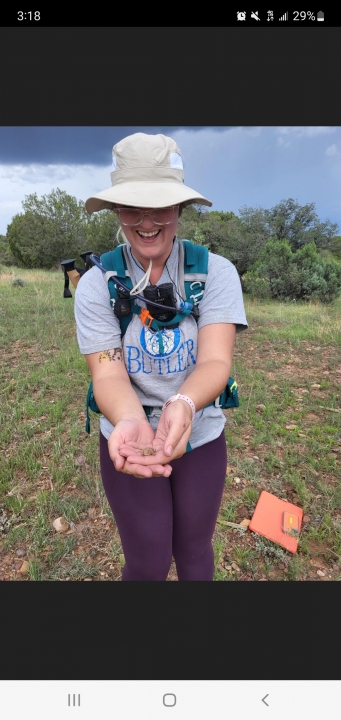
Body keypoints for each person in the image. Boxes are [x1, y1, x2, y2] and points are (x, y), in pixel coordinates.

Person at [74, 132, 248, 580]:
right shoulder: (97, 284)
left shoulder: (215, 274)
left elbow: (214, 362)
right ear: (115, 210)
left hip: (201, 434)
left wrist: (183, 403)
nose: (147, 221)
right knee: (148, 560)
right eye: (133, 206)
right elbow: (108, 375)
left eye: (162, 205)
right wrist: (133, 423)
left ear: (180, 209)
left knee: (194, 552)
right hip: (129, 436)